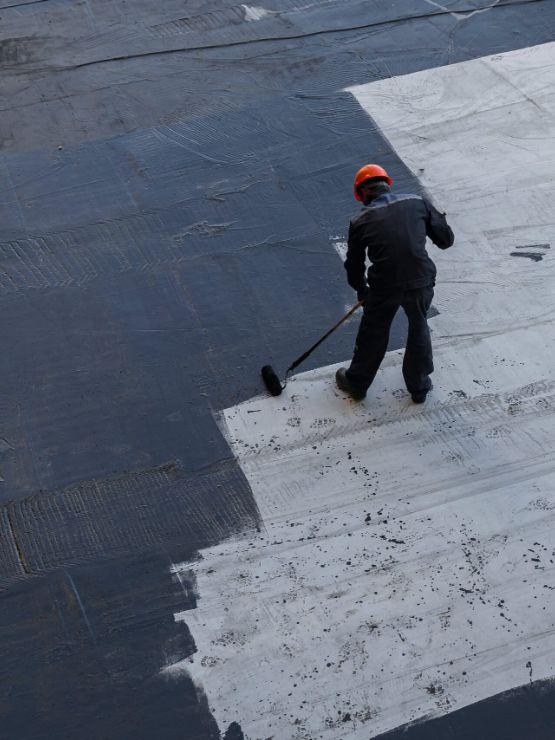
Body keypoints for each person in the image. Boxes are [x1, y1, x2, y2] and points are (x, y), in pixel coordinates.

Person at [336, 163, 454, 404]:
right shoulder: (417, 202)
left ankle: (357, 384)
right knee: (419, 326)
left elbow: (355, 265)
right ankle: (419, 387)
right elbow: (445, 240)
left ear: (362, 193)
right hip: (421, 279)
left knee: (374, 330)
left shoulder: (360, 221)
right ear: (387, 184)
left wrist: (361, 289)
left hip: (385, 284)